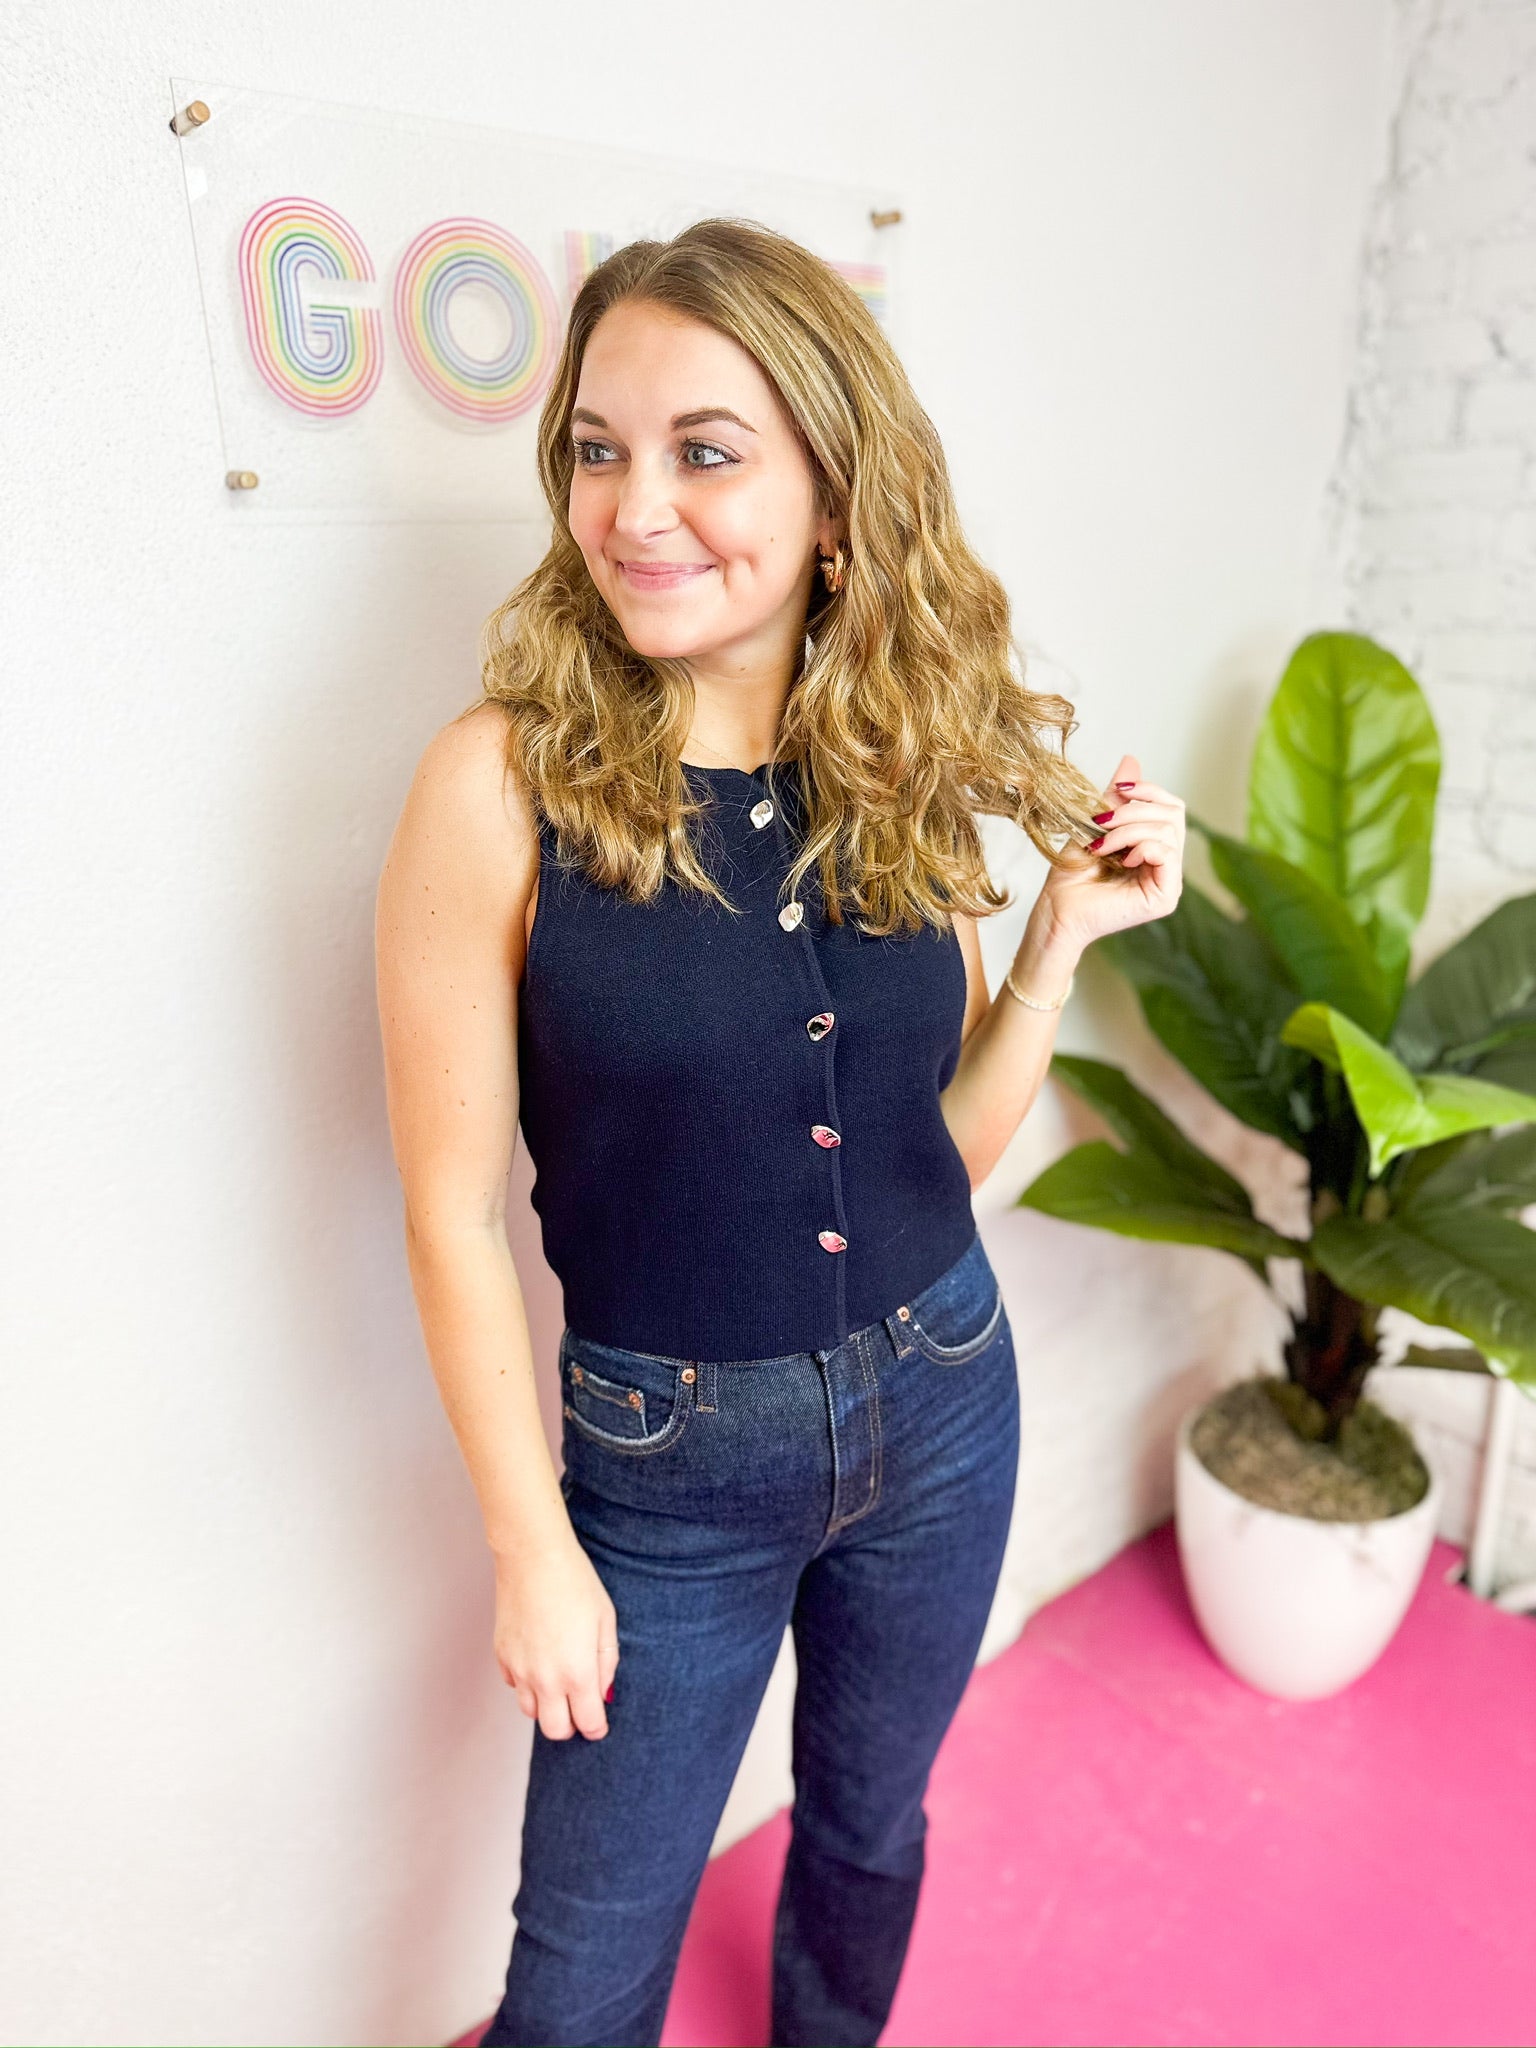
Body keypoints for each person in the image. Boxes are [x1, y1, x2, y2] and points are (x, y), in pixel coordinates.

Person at [374, 217, 1186, 2048]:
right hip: (665, 1478)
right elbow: (445, 1214)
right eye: (598, 447)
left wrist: (1050, 953)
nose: (633, 506)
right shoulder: (494, 790)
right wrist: (533, 1547)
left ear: (837, 498)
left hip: (949, 1402)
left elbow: (936, 1159)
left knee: (869, 1831)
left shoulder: (893, 762)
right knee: (581, 1978)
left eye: (704, 450)